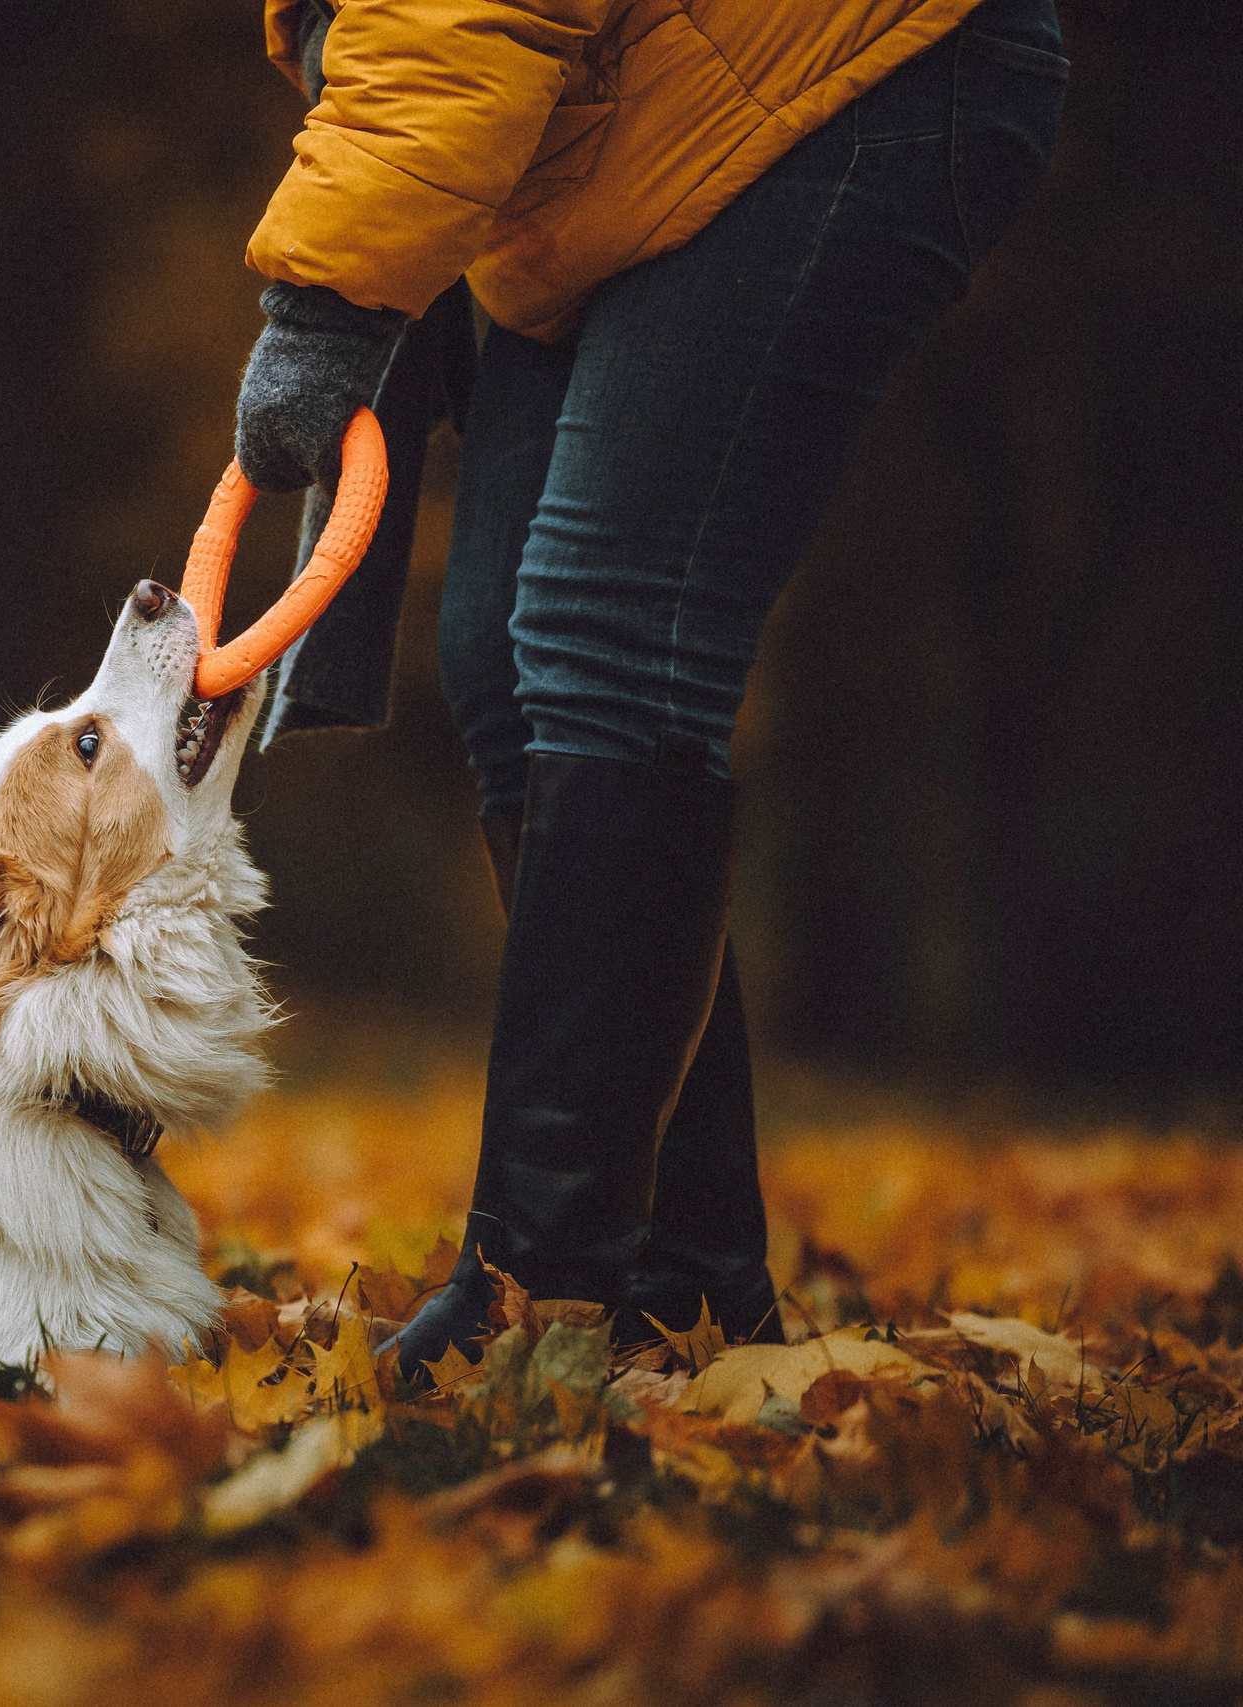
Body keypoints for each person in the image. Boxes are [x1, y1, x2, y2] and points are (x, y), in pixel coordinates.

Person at [231, 0, 1066, 1373]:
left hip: (839, 75)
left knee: (605, 635)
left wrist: (330, 300)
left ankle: (549, 1299)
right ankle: (685, 1294)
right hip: (631, 130)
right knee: (501, 657)